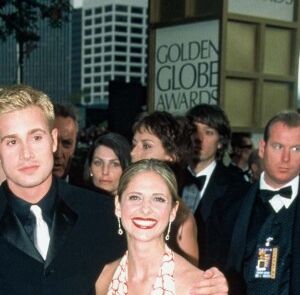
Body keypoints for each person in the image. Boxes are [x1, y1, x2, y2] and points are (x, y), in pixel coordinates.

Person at [0, 84, 228, 295]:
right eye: (12, 141)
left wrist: (205, 282)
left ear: (53, 140)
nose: (26, 153)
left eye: (36, 137)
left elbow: (155, 269)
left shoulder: (105, 212)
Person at [95, 159, 226, 295]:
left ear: (173, 211)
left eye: (158, 199)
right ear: (118, 205)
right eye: (135, 197)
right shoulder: (104, 277)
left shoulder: (198, 285)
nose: (145, 209)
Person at [206, 110, 300, 294]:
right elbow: (211, 270)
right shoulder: (226, 207)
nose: (286, 158)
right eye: (278, 147)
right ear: (263, 148)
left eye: (296, 149)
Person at [181, 104, 250, 269]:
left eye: (208, 132)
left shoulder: (238, 187)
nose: (199, 138)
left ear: (220, 142)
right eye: (193, 130)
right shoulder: (168, 180)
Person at [131, 111, 199, 266]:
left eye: (146, 146)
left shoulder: (182, 218)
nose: (133, 153)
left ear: (172, 155)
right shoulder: (123, 201)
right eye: (134, 144)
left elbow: (191, 281)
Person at [52, 103, 80, 183]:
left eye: (66, 143)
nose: (58, 154)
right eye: (52, 142)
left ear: (75, 146)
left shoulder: (88, 190)